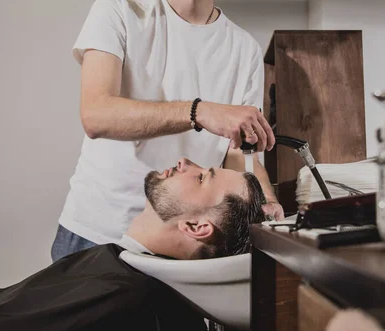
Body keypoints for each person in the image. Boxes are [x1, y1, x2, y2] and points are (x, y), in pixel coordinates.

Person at [0, 158, 266, 331]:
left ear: (195, 227)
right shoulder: (122, 276)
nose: (186, 163)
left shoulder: (128, 297)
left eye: (202, 177)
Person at [53, 0, 285, 261]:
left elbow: (239, 154)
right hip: (95, 233)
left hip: (181, 245)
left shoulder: (245, 49)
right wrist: (199, 112)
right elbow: (96, 115)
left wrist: (265, 200)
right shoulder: (118, 8)